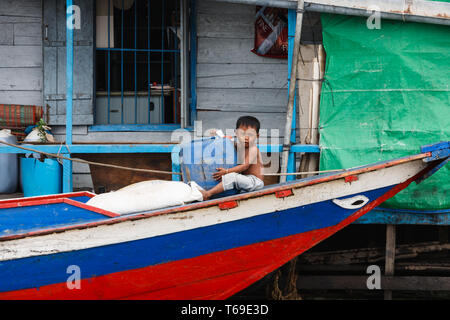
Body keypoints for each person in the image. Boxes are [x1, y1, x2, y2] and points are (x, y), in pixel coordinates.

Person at [199, 116, 264, 200]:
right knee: (229, 177)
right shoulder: (238, 146)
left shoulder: (253, 149)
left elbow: (245, 166)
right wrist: (220, 137)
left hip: (255, 182)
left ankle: (208, 194)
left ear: (257, 136)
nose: (246, 138)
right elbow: (227, 143)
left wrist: (226, 171)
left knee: (232, 177)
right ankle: (208, 192)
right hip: (244, 182)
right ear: (236, 133)